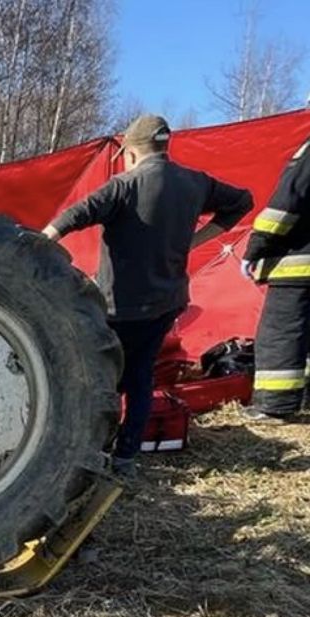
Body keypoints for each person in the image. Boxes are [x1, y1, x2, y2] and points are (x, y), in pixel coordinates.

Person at [42, 114, 253, 477]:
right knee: (140, 377)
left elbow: (75, 215)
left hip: (119, 307)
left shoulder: (124, 185)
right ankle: (125, 458)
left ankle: (91, 450)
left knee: (102, 379)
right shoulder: (194, 182)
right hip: (166, 303)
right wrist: (195, 241)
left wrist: (37, 244)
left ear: (131, 152)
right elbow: (242, 201)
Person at [241, 134, 310, 423]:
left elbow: (286, 204)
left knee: (281, 334)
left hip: (297, 265)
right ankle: (304, 398)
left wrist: (256, 247)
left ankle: (273, 406)